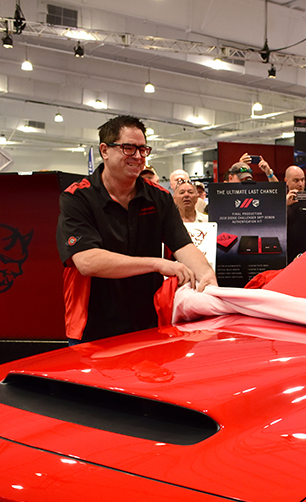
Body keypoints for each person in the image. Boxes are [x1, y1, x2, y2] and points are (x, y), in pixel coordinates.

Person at [57, 115, 216, 344]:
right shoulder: (77, 198)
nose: (138, 157)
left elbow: (183, 245)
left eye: (143, 149)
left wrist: (208, 280)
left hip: (148, 324)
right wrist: (157, 263)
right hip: (94, 328)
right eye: (128, 148)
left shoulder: (158, 197)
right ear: (105, 150)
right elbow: (86, 261)